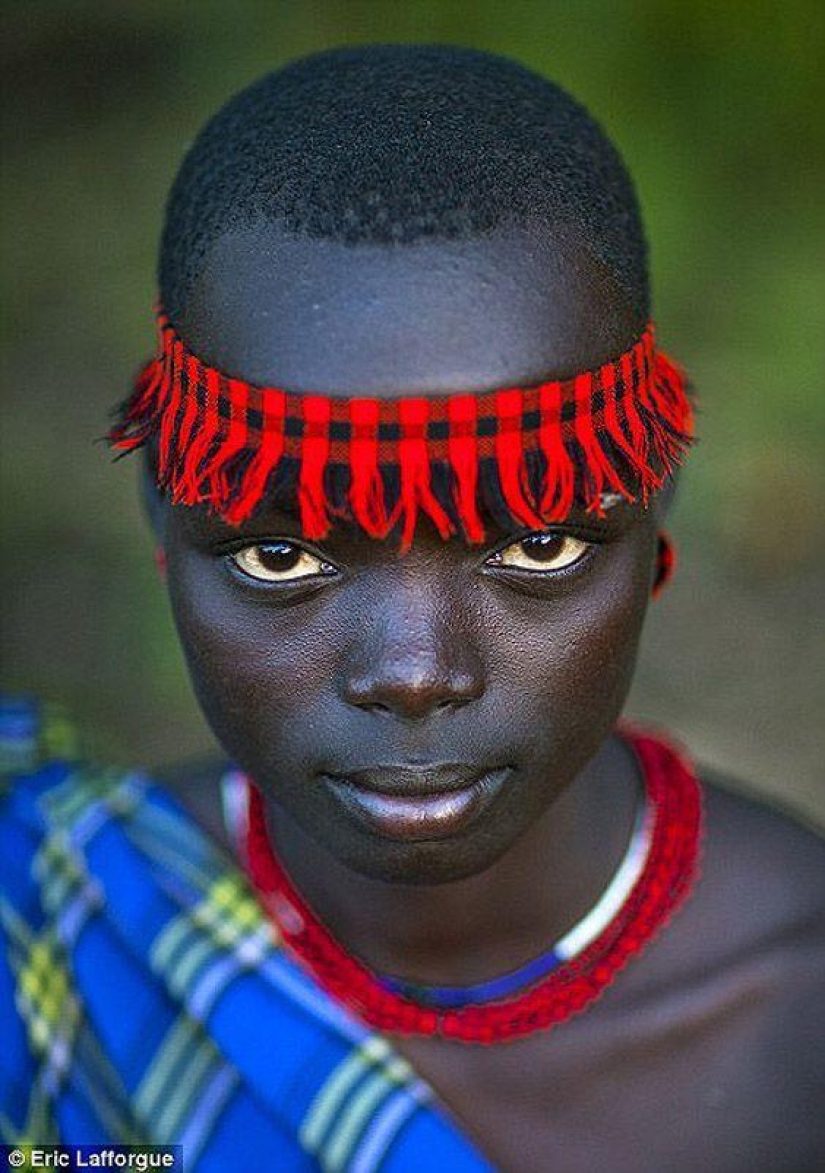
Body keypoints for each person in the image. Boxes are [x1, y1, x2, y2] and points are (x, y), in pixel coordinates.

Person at [1, 45, 823, 1173]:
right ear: (161, 517)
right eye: (280, 555)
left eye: (538, 541)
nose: (415, 674)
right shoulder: (47, 944)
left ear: (655, 500)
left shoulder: (799, 1032)